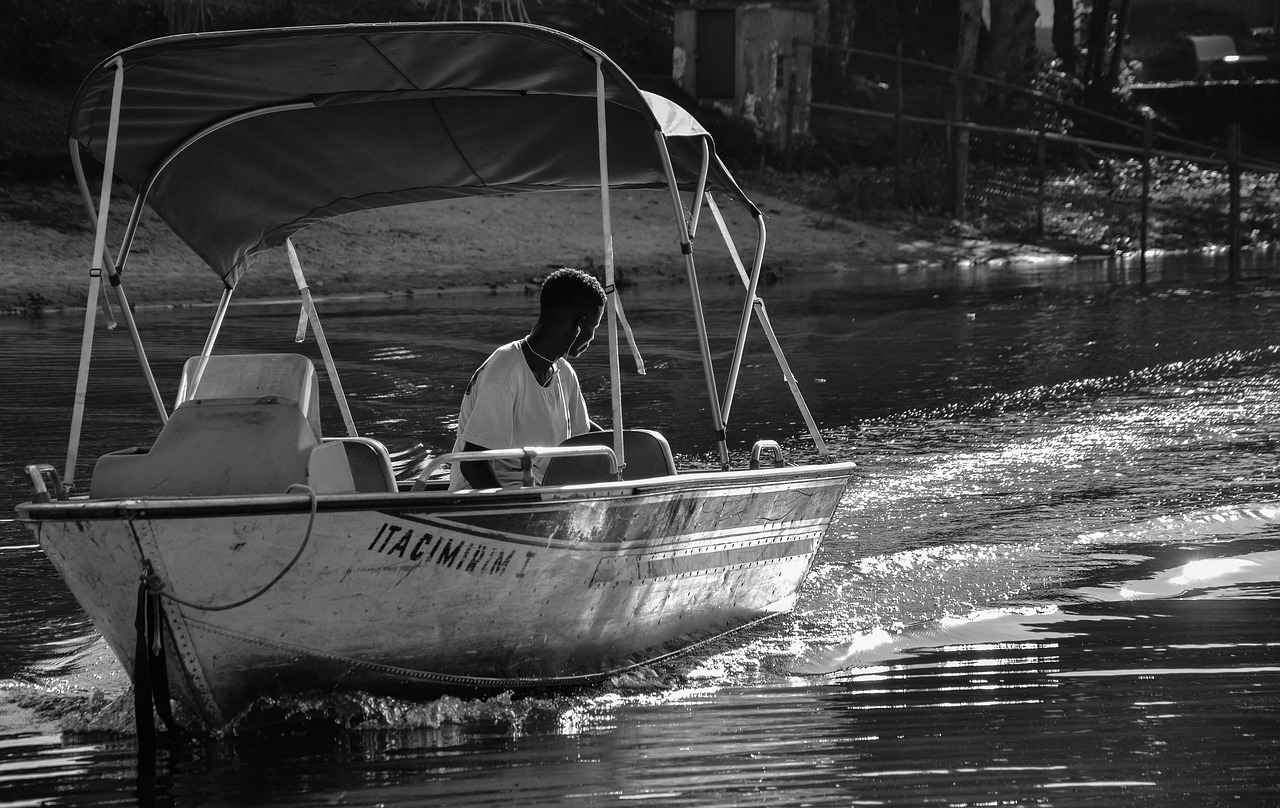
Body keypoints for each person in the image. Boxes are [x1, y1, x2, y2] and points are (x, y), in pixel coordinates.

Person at [448, 268, 606, 490]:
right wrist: (514, 511)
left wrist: (621, 447)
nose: (593, 337)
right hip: (483, 495)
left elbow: (584, 433)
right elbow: (473, 465)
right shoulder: (505, 372)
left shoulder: (564, 372)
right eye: (595, 327)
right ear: (578, 327)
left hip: (537, 489)